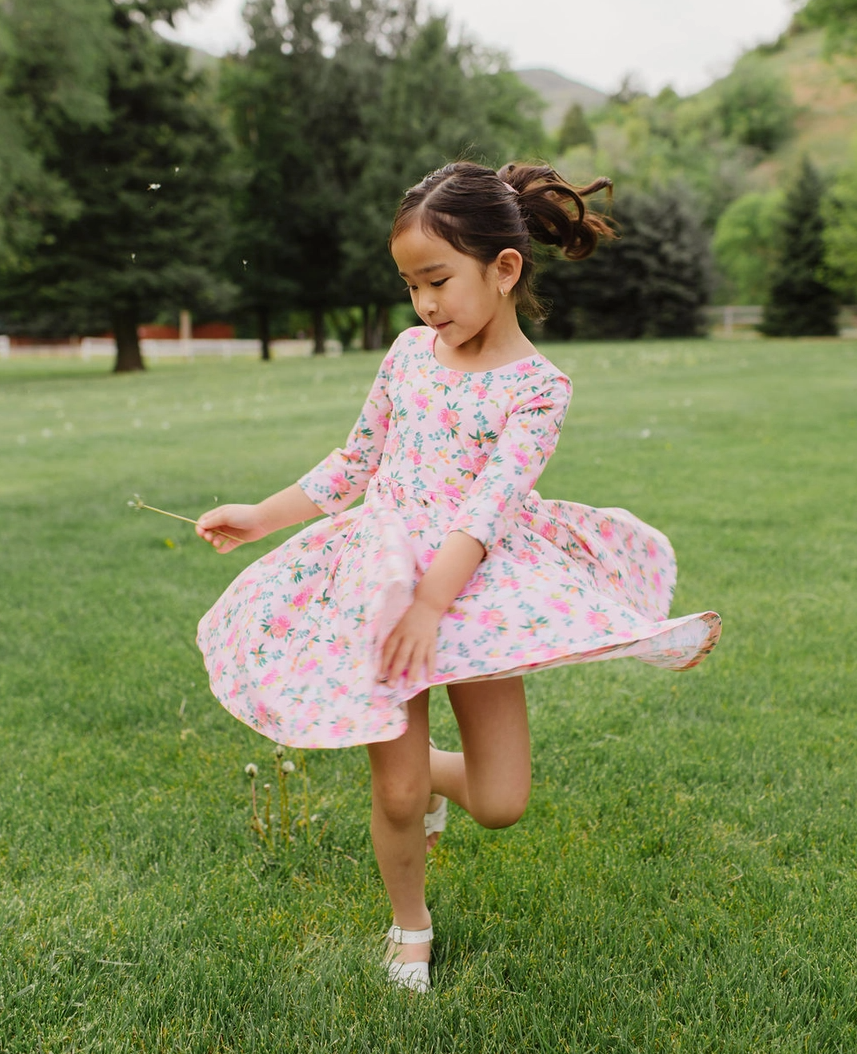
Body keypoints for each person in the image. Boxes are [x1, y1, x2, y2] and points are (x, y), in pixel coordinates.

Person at [195, 161, 721, 993]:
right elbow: (356, 461)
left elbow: (489, 506)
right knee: (396, 793)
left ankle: (429, 769)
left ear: (504, 269)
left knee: (502, 799)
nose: (426, 305)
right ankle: (411, 925)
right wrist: (261, 514)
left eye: (437, 280)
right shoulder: (409, 355)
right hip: (384, 580)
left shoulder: (539, 389)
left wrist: (435, 602)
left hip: (473, 589)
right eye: (412, 286)